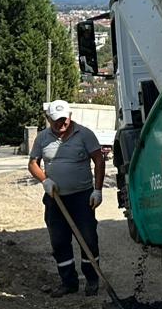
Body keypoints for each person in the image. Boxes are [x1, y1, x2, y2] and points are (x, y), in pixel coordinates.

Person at [27, 100, 106, 298]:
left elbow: (98, 160)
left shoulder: (85, 134)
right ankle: (68, 282)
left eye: (64, 119)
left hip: (82, 198)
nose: (61, 123)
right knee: (59, 241)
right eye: (56, 120)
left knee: (88, 239)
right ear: (48, 119)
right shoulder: (43, 138)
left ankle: (92, 279)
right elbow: (32, 163)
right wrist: (45, 180)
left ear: (70, 116)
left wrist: (97, 191)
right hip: (55, 199)